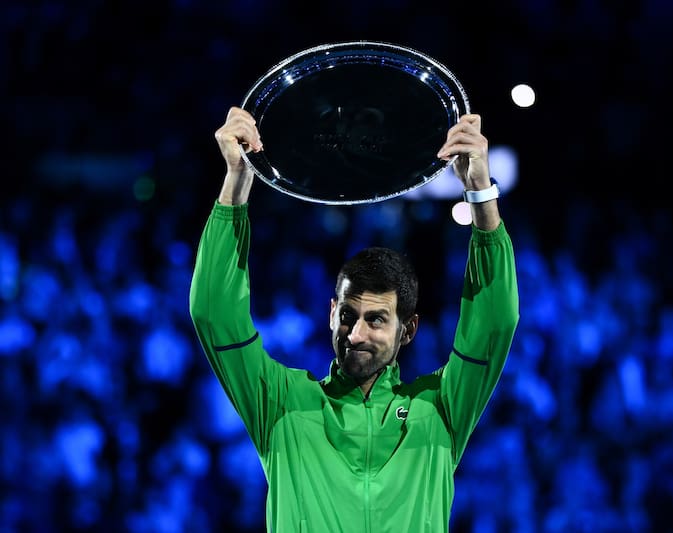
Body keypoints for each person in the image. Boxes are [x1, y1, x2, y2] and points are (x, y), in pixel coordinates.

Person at [189, 106, 520, 532]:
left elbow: (496, 322)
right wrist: (235, 185)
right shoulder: (281, 404)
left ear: (409, 330)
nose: (357, 333)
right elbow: (213, 313)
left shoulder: (441, 409)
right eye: (348, 315)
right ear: (331, 313)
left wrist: (479, 191)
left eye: (378, 320)